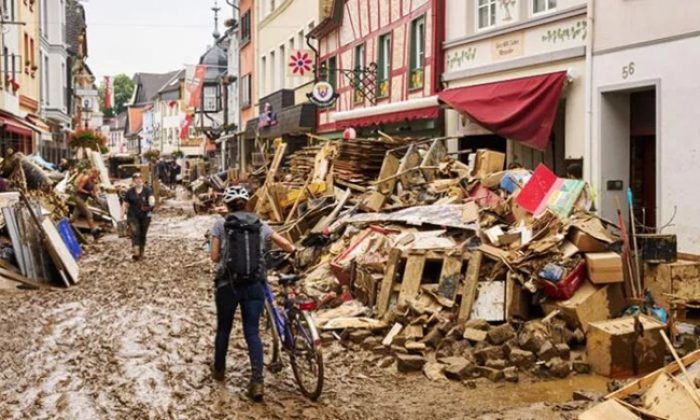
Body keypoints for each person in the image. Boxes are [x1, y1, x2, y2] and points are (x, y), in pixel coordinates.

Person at [209, 185, 295, 401]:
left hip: (227, 285)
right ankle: (257, 382)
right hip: (255, 285)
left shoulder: (220, 224)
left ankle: (219, 370)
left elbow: (214, 256)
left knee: (224, 329)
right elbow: (284, 244)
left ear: (227, 205)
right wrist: (294, 250)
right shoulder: (260, 224)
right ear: (247, 203)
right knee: (252, 332)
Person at [121, 173, 155, 260]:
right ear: (133, 181)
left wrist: (151, 200)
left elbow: (152, 201)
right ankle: (136, 250)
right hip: (133, 215)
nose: (138, 180)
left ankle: (141, 252)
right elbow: (125, 204)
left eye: (140, 178)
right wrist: (122, 215)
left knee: (143, 233)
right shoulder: (130, 192)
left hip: (145, 215)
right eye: (136, 179)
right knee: (135, 232)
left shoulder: (147, 190)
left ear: (142, 180)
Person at [71, 168, 101, 238]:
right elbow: (79, 188)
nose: (97, 176)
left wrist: (96, 198)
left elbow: (93, 192)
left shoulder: (93, 181)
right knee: (89, 214)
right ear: (93, 172)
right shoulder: (86, 178)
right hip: (78, 198)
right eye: (97, 174)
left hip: (83, 199)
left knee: (73, 218)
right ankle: (94, 233)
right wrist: (87, 192)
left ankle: (65, 224)